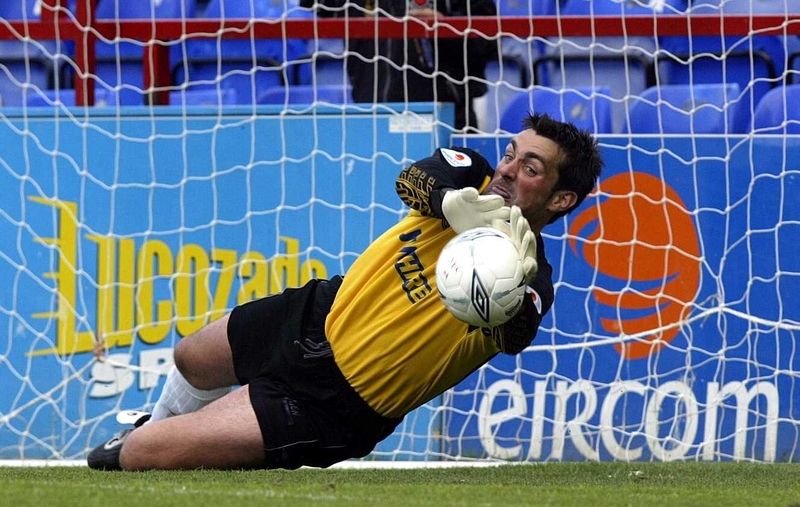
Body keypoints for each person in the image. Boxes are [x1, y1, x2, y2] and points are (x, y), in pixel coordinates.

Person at [87, 113, 603, 471]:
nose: (508, 169)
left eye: (529, 168)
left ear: (560, 198)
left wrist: (500, 294)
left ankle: (186, 439)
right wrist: (452, 206)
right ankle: (177, 427)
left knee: (141, 456)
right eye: (512, 153)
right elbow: (411, 180)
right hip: (318, 312)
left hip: (337, 401)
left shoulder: (529, 276)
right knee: (190, 357)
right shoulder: (472, 172)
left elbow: (516, 335)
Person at [298, 0, 497, 131]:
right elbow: (313, 5)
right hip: (372, 112)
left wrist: (445, 26)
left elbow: (487, 43)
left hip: (445, 118)